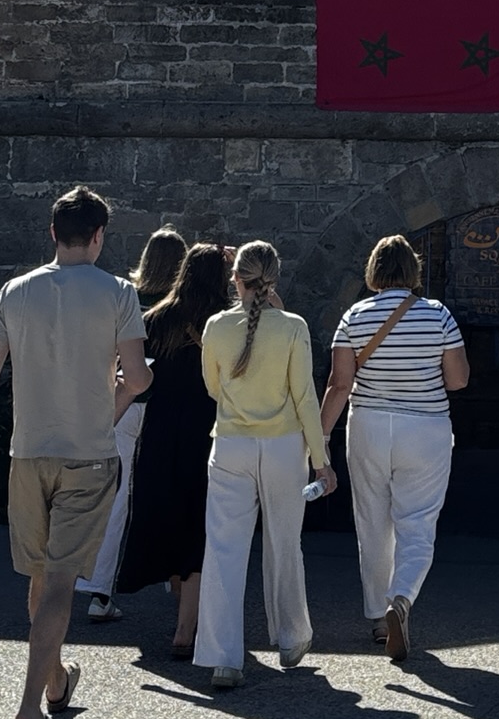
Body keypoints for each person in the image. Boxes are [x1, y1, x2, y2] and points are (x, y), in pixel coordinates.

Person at [0, 185, 151, 719]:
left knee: (39, 577)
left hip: (28, 453)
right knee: (60, 581)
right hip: (89, 456)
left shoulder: (15, 291)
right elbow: (138, 377)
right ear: (99, 236)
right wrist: (125, 391)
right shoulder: (119, 293)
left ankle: (55, 680)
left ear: (53, 232)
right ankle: (31, 707)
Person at [193, 241, 335, 688]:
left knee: (223, 550)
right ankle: (292, 637)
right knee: (284, 542)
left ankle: (223, 658)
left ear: (235, 278)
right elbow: (305, 398)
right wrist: (321, 461)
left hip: (231, 444)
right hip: (283, 446)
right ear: (274, 280)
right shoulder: (293, 327)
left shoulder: (216, 326)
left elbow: (212, 387)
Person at [320, 235, 469, 660]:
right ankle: (401, 598)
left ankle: (376, 616)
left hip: (368, 426)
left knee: (371, 521)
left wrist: (320, 440)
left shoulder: (354, 316)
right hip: (425, 428)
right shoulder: (438, 315)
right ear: (413, 270)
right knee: (417, 522)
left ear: (373, 271)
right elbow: (458, 380)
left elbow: (339, 384)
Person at [117, 243, 229, 658]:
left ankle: (181, 601)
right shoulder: (226, 323)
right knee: (200, 523)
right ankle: (186, 625)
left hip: (161, 432)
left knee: (164, 514)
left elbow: (133, 378)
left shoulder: (157, 319)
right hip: (209, 432)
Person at [79, 224, 188, 624]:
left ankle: (100, 590)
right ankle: (178, 583)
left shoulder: (123, 297)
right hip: (164, 409)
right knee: (168, 493)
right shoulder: (180, 306)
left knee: (115, 498)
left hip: (121, 402)